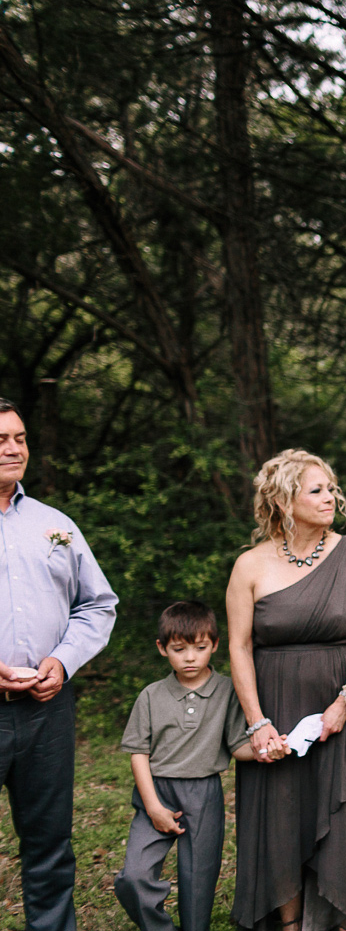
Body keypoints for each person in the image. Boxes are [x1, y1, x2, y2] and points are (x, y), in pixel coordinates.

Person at [226, 449, 346, 931]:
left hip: (341, 705)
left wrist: (344, 704)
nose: (330, 498)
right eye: (316, 490)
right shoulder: (249, 566)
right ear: (283, 500)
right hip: (275, 706)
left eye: (331, 488)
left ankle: (337, 919)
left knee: (339, 815)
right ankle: (288, 921)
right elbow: (238, 647)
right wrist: (257, 722)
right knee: (280, 816)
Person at [0, 396, 119, 931]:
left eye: (19, 438)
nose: (13, 448)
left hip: (47, 712)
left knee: (50, 843)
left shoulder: (56, 525)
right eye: (0, 439)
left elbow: (98, 603)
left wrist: (63, 661)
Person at [115, 601, 259, 931]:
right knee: (133, 878)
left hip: (204, 793)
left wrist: (268, 749)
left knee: (198, 881)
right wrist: (153, 807)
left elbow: (239, 746)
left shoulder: (227, 690)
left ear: (215, 645)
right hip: (157, 792)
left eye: (200, 648)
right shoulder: (151, 696)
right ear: (162, 648)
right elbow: (138, 753)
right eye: (179, 649)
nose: (190, 657)